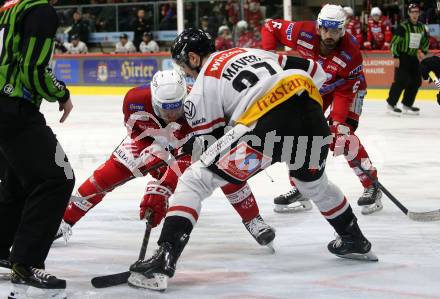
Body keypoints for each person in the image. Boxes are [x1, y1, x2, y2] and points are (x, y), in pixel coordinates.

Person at [128, 28, 377, 291]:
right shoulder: (252, 52)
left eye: (183, 66)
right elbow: (316, 70)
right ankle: (354, 239)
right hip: (312, 115)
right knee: (313, 184)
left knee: (195, 180)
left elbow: (211, 143)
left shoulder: (202, 85)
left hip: (267, 125)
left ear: (192, 58)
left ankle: (163, 260)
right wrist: (301, 110)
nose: (187, 75)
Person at [56, 69, 276, 248]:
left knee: (225, 171)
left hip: (189, 146)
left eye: (176, 108)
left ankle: (252, 219)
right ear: (153, 98)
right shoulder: (134, 100)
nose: (171, 114)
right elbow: (136, 135)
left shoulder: (197, 107)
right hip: (152, 140)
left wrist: (163, 187)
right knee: (105, 177)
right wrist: (152, 159)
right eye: (165, 108)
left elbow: (187, 157)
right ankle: (64, 220)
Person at [261, 4, 383, 215]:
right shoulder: (303, 32)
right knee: (298, 131)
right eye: (325, 29)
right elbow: (270, 26)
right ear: (318, 27)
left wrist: (337, 122)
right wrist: (269, 60)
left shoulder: (351, 54)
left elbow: (346, 93)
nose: (329, 34)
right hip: (320, 87)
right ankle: (302, 187)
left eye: (335, 30)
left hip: (348, 89)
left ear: (343, 30)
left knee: (343, 135)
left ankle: (371, 184)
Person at [0, 0, 75, 298]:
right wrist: (61, 93)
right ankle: (27, 261)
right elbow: (34, 69)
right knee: (56, 179)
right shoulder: (39, 11)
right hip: (12, 108)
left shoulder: (7, 8)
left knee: (19, 182)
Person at [386, 3, 429, 116]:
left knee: (416, 81)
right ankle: (391, 105)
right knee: (401, 81)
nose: (414, 14)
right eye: (412, 12)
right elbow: (394, 43)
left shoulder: (421, 27)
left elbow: (425, 41)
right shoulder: (403, 26)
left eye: (416, 12)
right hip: (402, 56)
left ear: (419, 13)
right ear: (409, 13)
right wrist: (395, 56)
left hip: (414, 57)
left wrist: (423, 52)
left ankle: (407, 104)